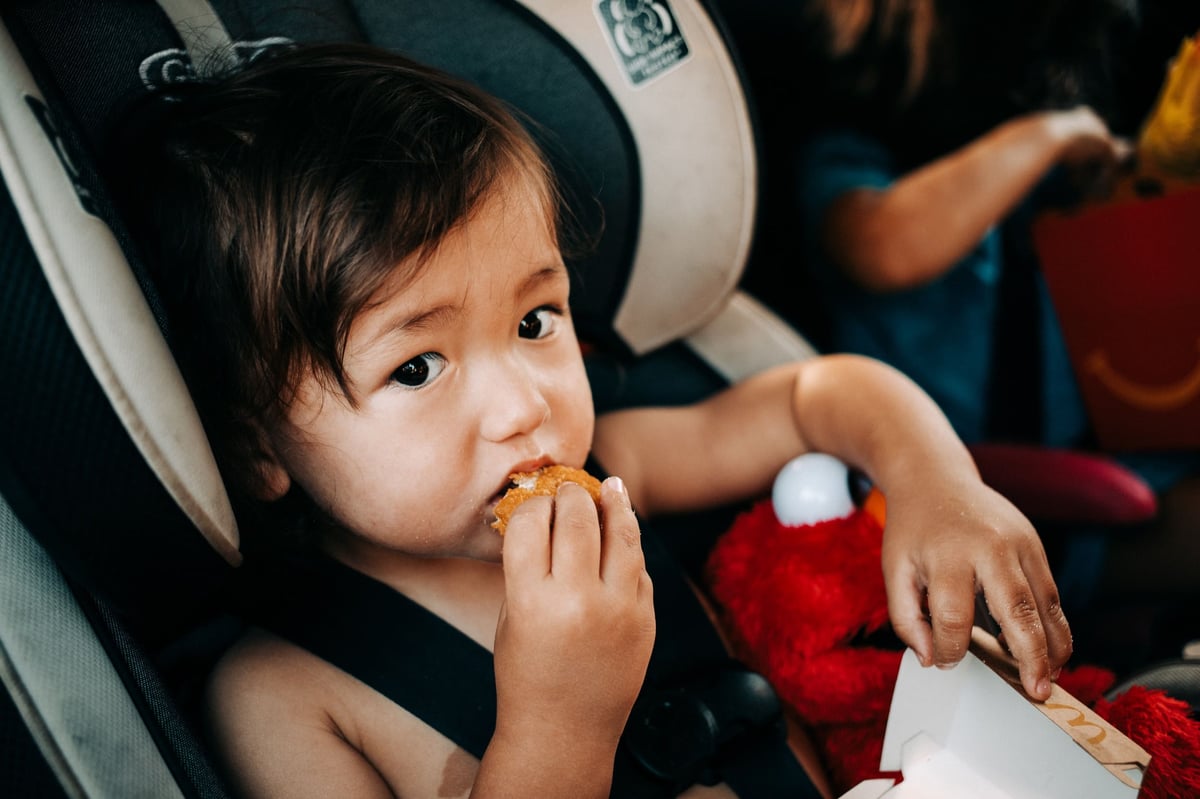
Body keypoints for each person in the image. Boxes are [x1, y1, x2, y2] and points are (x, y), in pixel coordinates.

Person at [115, 41, 1072, 799]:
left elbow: (810, 395)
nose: (524, 405)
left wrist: (936, 483)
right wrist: (559, 728)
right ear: (258, 448)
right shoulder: (287, 701)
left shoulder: (619, 473)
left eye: (535, 320)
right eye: (416, 365)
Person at [787, 0, 1200, 609]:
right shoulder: (849, 166)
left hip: (1118, 460)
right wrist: (1049, 135)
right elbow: (887, 248)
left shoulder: (1056, 185)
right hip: (965, 504)